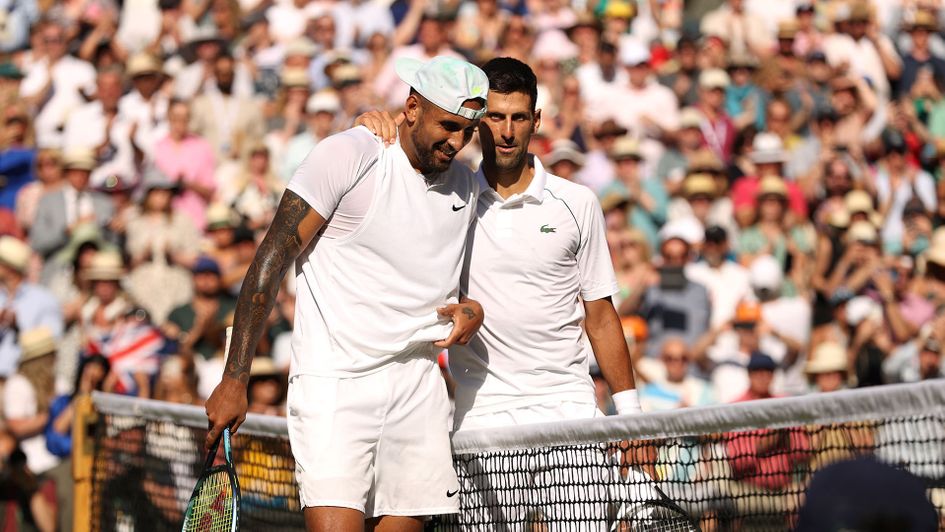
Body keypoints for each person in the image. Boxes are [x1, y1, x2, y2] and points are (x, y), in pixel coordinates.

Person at [205, 55, 488, 531]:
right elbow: (270, 260)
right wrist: (236, 378)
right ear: (412, 108)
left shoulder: (467, 183)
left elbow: (460, 284)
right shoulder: (350, 155)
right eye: (449, 126)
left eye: (467, 131)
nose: (457, 142)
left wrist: (473, 310)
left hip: (418, 388)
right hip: (334, 385)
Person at [358, 56, 640, 529]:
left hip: (568, 412)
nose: (506, 131)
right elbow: (391, 164)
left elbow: (600, 316)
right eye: (494, 116)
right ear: (476, 120)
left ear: (536, 122)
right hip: (481, 419)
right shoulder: (447, 193)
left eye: (518, 118)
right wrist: (370, 127)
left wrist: (630, 416)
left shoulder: (578, 203)